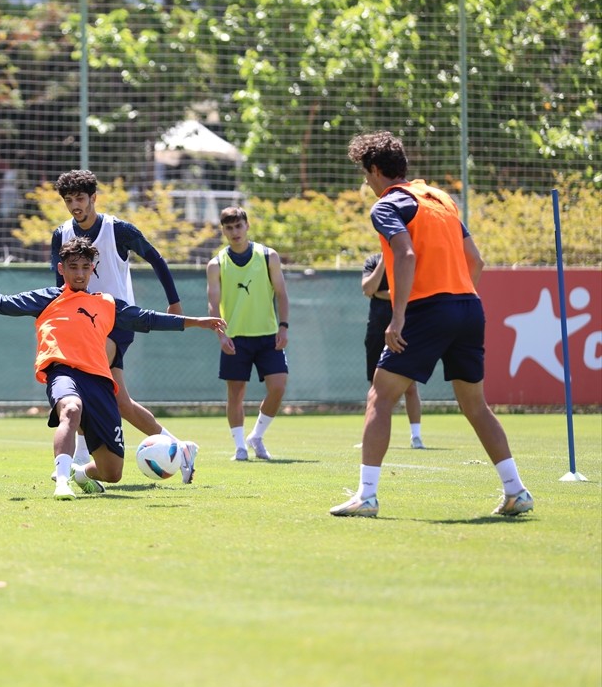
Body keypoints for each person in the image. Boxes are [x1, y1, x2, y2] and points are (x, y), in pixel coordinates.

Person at [333, 131, 533, 517]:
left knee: (380, 395)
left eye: (365, 173)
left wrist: (400, 315)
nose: (366, 182)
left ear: (375, 170)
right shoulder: (441, 199)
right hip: (469, 307)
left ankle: (367, 496)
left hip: (427, 310)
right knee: (476, 405)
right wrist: (457, 301)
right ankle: (516, 490)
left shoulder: (387, 206)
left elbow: (404, 255)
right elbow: (476, 261)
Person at [0, 237, 226, 500]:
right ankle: (61, 481)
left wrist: (196, 321)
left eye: (85, 266)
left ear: (93, 268)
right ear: (61, 269)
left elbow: (146, 319)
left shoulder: (106, 303)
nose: (80, 273)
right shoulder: (47, 298)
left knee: (112, 472)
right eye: (73, 267)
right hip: (63, 373)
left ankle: (78, 473)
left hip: (100, 383)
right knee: (70, 409)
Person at [49, 169, 201, 483]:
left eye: (80, 198)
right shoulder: (60, 234)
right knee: (121, 401)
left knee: (81, 377)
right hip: (80, 323)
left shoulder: (117, 229)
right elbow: (58, 283)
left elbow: (156, 258)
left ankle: (78, 458)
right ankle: (180, 448)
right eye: (69, 200)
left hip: (116, 320)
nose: (75, 205)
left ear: (93, 198)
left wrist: (174, 302)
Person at [206, 206, 290, 461]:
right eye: (229, 228)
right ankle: (240, 447)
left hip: (268, 336)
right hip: (235, 338)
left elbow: (282, 294)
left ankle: (257, 436)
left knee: (278, 387)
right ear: (223, 230)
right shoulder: (216, 264)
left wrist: (284, 326)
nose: (235, 232)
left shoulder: (268, 256)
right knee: (236, 394)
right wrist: (221, 336)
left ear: (247, 226)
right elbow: (212, 304)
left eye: (238, 226)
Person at [362, 251, 425, 449]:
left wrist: (381, 294)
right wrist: (383, 262)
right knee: (375, 386)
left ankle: (416, 437)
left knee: (410, 386)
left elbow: (411, 292)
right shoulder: (373, 261)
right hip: (376, 330)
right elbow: (368, 288)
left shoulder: (407, 259)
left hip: (404, 329)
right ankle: (369, 437)